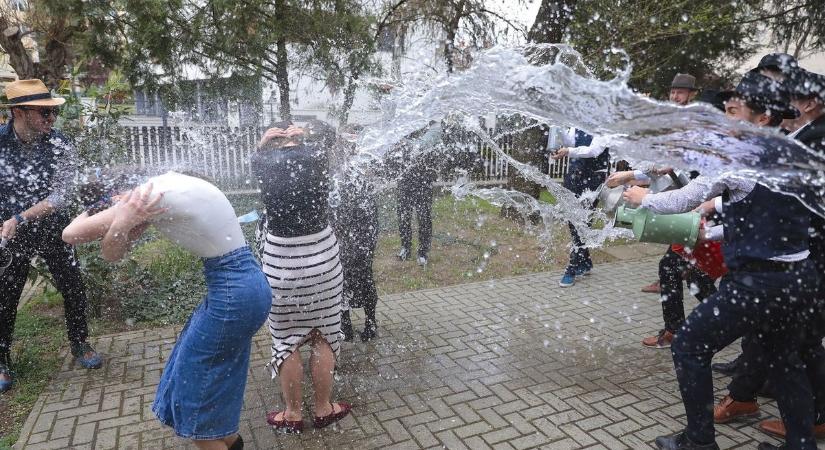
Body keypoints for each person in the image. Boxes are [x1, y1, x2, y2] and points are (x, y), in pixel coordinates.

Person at [625, 71, 820, 450]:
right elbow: (765, 220)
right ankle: (801, 444)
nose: (727, 119)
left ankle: (699, 441)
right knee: (785, 360)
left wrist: (642, 198)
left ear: (762, 118)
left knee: (689, 346)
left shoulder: (740, 158)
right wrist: (711, 233)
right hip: (800, 278)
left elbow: (682, 200)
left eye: (734, 111)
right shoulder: (797, 155)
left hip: (759, 284)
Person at [62, 171, 270, 450]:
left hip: (232, 295)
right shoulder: (166, 185)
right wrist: (123, 223)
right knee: (213, 382)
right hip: (247, 286)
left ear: (118, 198)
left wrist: (121, 219)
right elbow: (119, 248)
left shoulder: (148, 196)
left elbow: (73, 235)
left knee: (196, 412)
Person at [711, 67, 825, 440]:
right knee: (782, 339)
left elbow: (780, 200)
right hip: (797, 254)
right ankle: (749, 395)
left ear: (807, 101)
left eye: (787, 94)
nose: (782, 102)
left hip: (805, 255)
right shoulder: (802, 133)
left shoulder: (814, 138)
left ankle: (808, 422)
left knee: (798, 343)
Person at [0, 79, 101, 393]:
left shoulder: (60, 144)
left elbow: (60, 195)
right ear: (19, 111)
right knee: (5, 297)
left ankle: (80, 343)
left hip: (54, 227)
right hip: (9, 234)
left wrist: (21, 216)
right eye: (43, 114)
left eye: (52, 113)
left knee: (73, 286)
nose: (51, 119)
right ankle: (1, 360)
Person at [253, 121, 351, 433]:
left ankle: (292, 413)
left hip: (281, 264)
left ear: (272, 139)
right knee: (324, 337)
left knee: (286, 341)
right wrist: (304, 139)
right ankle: (323, 408)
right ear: (298, 136)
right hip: (323, 260)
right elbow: (337, 150)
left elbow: (257, 159)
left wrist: (262, 144)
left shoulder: (262, 162)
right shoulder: (318, 158)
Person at [640, 73, 701, 295]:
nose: (675, 96)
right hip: (678, 181)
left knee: (687, 230)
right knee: (682, 231)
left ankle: (676, 273)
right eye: (673, 92)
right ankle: (674, 272)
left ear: (691, 94)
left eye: (680, 92)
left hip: (696, 183)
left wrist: (672, 165)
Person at [331, 125, 380, 342]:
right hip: (357, 234)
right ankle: (356, 323)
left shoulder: (351, 170)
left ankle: (359, 324)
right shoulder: (351, 170)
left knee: (352, 280)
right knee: (356, 279)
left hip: (354, 234)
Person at [551, 128, 609, 287]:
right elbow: (570, 142)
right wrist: (558, 127)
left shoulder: (603, 126)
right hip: (574, 175)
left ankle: (572, 268)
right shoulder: (577, 124)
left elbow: (593, 151)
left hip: (593, 178)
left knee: (583, 223)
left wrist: (568, 151)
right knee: (572, 220)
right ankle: (585, 262)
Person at [396, 122, 442, 266]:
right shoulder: (405, 125)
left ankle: (423, 252)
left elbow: (422, 145)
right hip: (405, 180)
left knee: (424, 217)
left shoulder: (433, 128)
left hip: (423, 181)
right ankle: (405, 247)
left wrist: (402, 141)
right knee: (403, 216)